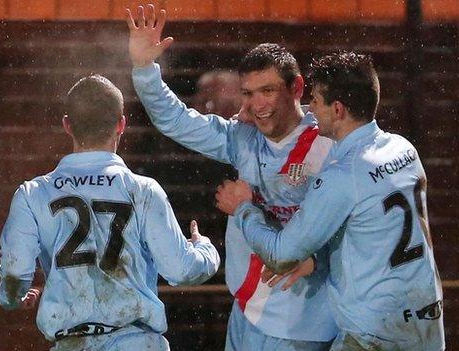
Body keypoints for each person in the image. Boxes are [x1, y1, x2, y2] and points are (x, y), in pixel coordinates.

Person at [126, 4, 338, 351]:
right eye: (248, 93)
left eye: (268, 91)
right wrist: (144, 67)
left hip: (302, 323)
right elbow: (175, 121)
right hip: (246, 312)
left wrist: (320, 258)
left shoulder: (329, 145)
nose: (258, 105)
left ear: (296, 87)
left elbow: (359, 220)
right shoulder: (244, 137)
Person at [216, 52, 445, 350]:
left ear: (337, 109)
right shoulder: (403, 150)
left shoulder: (342, 175)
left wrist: (244, 208)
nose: (311, 111)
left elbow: (281, 254)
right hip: (426, 321)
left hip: (374, 332)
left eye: (316, 101)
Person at [0, 74, 220, 351]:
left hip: (71, 343)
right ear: (121, 125)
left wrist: (13, 297)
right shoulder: (143, 190)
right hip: (137, 343)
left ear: (67, 125)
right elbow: (182, 270)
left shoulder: (33, 194)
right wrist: (206, 249)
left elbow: (15, 274)